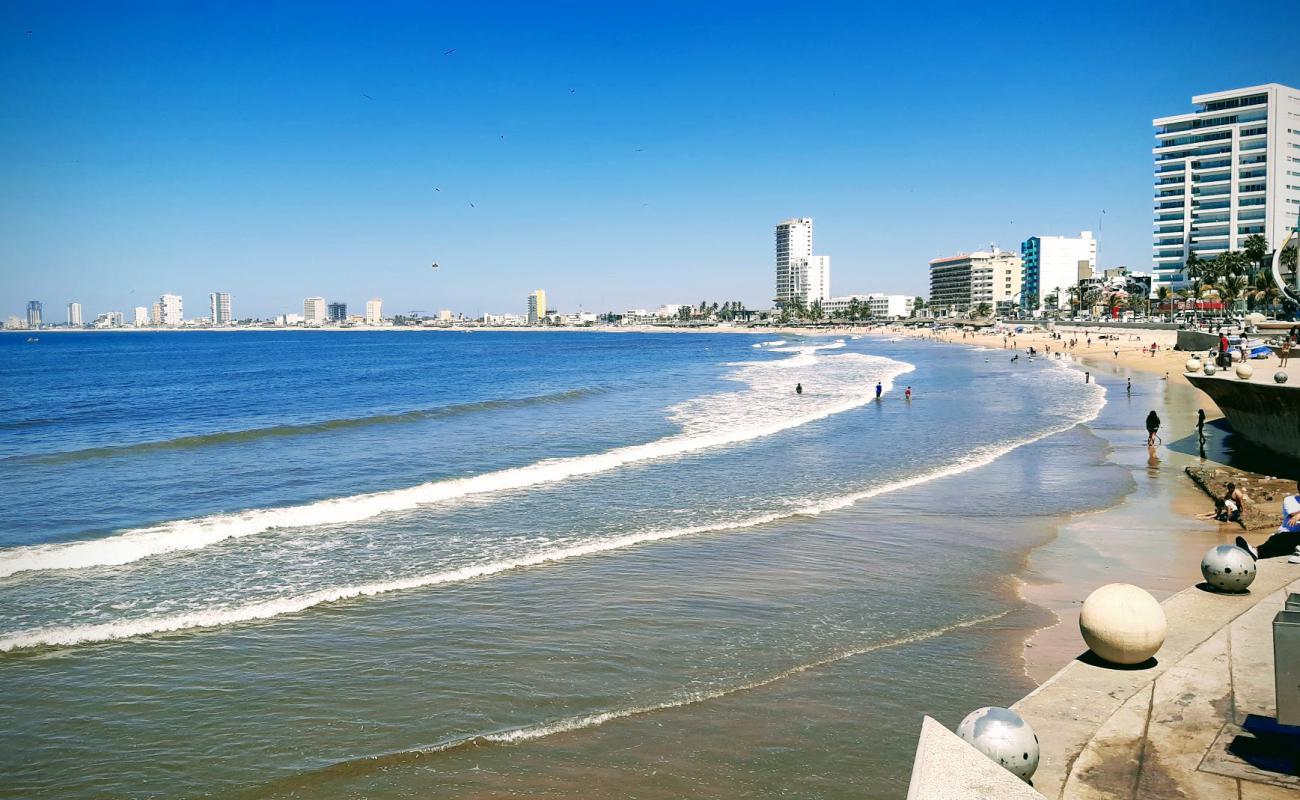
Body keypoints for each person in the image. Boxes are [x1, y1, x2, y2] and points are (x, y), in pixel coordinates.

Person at [1236, 480, 1300, 563]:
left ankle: (1255, 552)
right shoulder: (1290, 500)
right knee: (1275, 544)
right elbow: (1293, 515)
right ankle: (1254, 551)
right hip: (1285, 535)